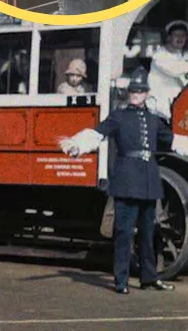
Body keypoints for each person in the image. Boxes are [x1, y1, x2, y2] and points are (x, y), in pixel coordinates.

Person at [61, 67, 175, 294]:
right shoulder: (119, 117)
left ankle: (149, 278)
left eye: (140, 91)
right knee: (123, 233)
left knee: (149, 233)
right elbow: (98, 133)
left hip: (148, 183)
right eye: (133, 90)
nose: (136, 94)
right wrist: (76, 145)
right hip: (126, 181)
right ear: (128, 92)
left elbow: (174, 140)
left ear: (146, 94)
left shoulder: (154, 120)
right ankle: (121, 280)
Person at [148, 20, 188, 120]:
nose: (180, 38)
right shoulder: (160, 55)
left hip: (179, 111)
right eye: (176, 35)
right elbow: (175, 70)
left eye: (183, 35)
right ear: (169, 37)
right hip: (159, 113)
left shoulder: (186, 57)